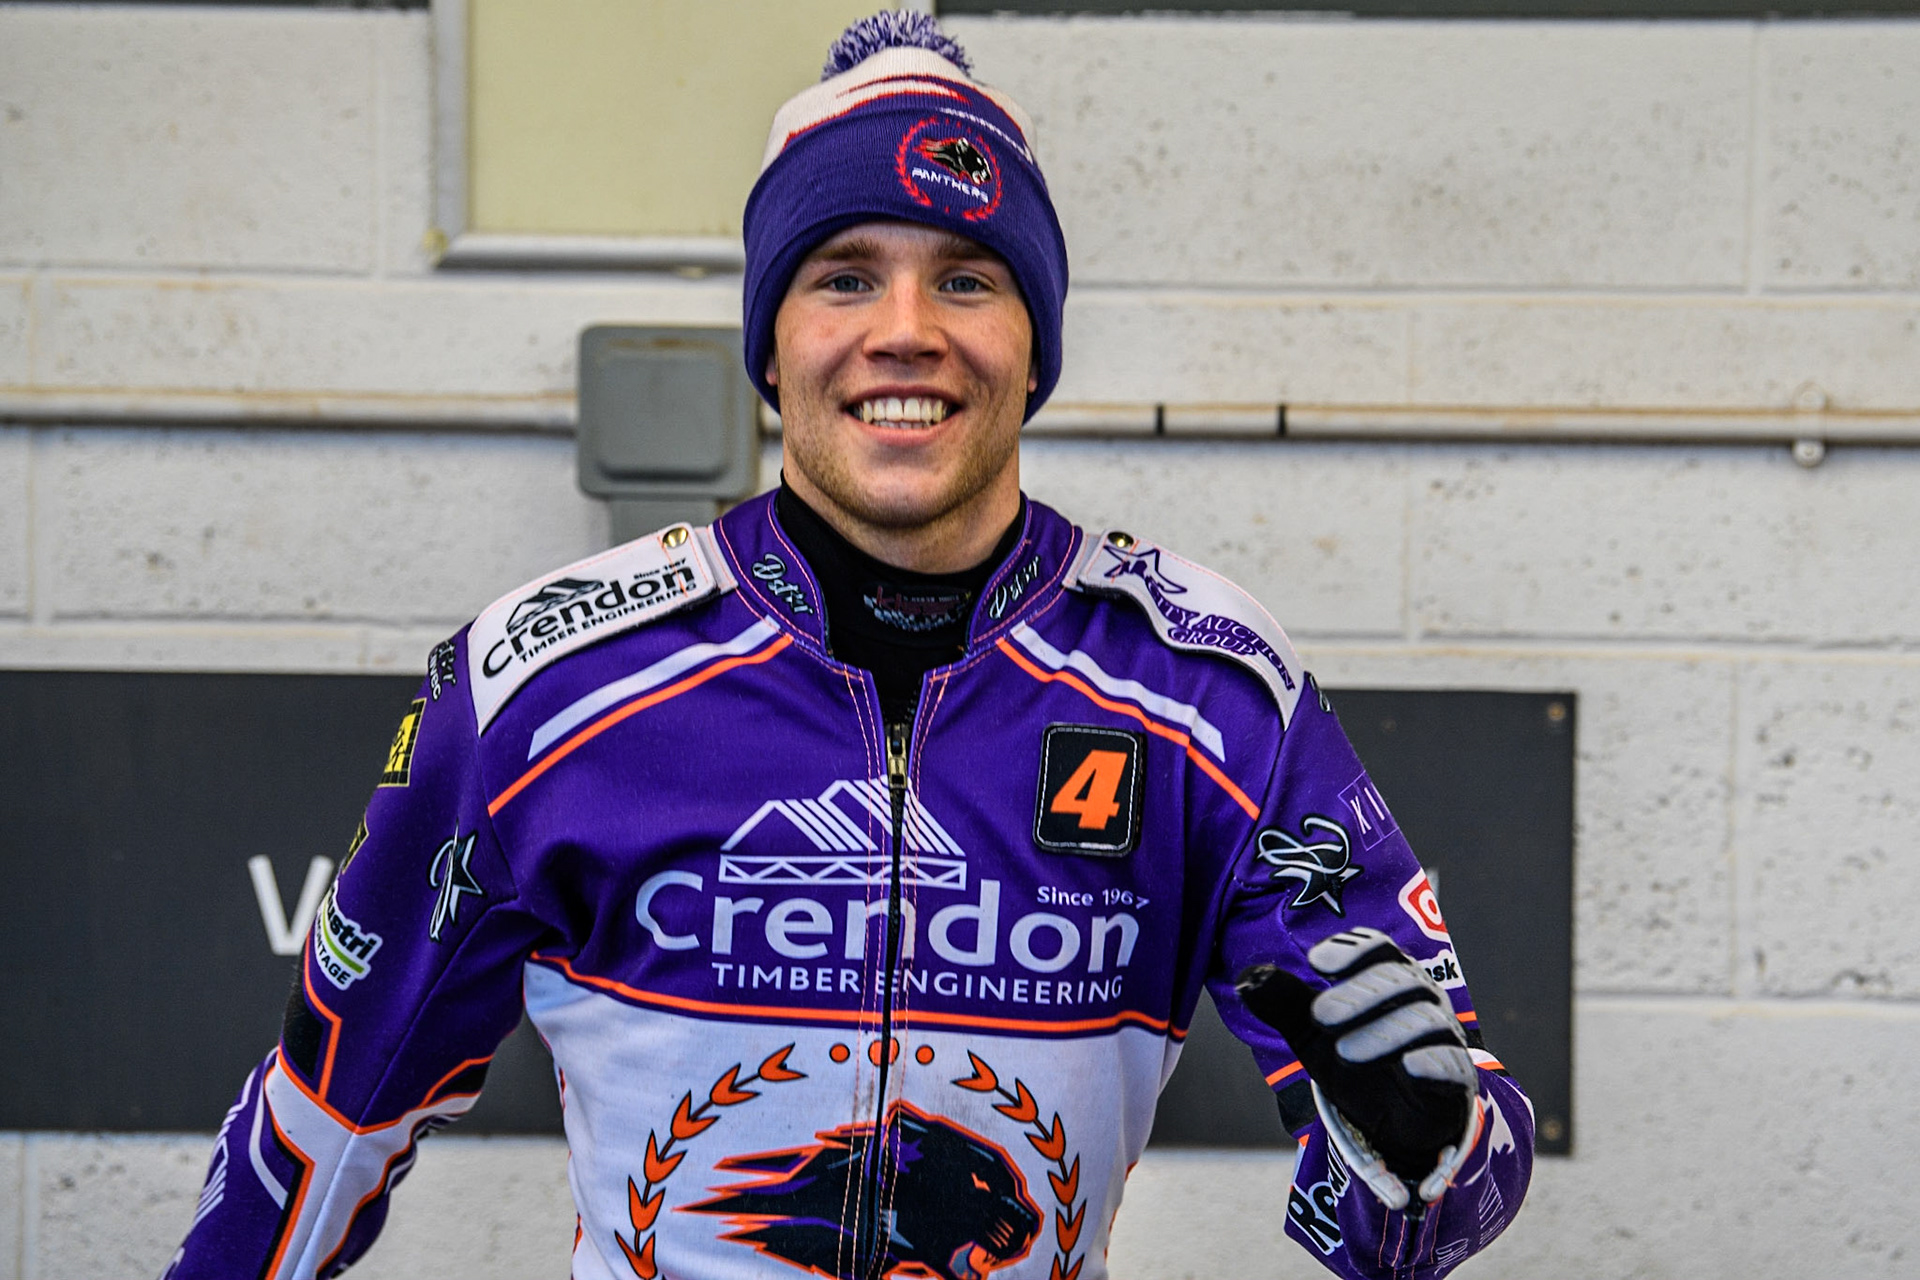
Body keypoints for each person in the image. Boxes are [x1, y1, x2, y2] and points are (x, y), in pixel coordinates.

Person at [164, 14, 1531, 1280]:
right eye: (844, 276)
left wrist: (1416, 1154)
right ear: (771, 342)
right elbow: (321, 1137)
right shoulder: (544, 688)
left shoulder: (1209, 697)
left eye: (970, 279)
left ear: (1036, 345)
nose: (906, 333)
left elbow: (1426, 1219)